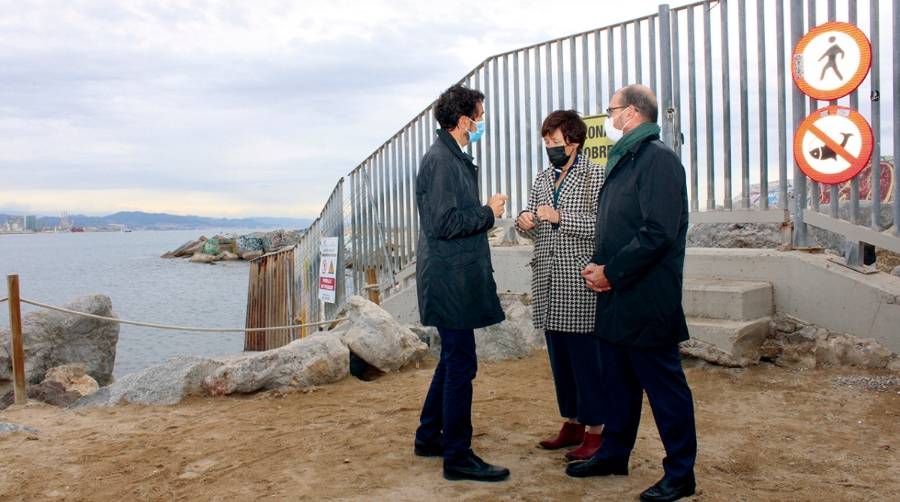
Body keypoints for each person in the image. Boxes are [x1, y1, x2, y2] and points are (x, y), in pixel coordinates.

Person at [567, 84, 698, 502]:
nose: (608, 118)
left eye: (612, 110)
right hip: (616, 298)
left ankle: (680, 473)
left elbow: (658, 233)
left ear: (633, 112)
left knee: (665, 391)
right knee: (618, 387)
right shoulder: (626, 159)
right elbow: (617, 225)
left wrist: (612, 272)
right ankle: (613, 454)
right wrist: (599, 267)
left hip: (646, 298)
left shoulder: (658, 159)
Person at [413, 83, 510, 482]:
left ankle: (428, 437)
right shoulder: (441, 160)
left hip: (451, 276)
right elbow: (444, 223)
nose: (482, 123)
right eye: (480, 117)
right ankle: (457, 455)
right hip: (449, 279)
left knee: (452, 359)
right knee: (461, 363)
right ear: (465, 120)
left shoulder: (450, 157)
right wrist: (488, 212)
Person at [515, 110, 605, 460]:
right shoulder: (542, 179)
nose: (549, 147)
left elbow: (602, 225)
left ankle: (596, 431)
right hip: (547, 283)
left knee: (586, 362)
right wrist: (525, 222)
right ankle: (572, 423)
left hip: (579, 282)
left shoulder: (595, 175)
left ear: (574, 142)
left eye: (554, 141)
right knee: (561, 361)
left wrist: (559, 217)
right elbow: (535, 227)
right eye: (546, 141)